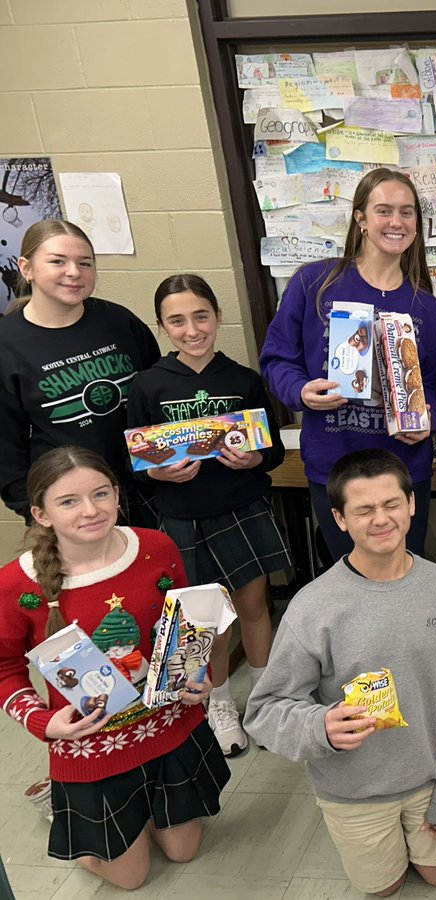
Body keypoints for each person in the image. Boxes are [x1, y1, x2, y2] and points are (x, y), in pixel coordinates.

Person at [244, 449, 436, 898]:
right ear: (339, 519)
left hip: (431, 776)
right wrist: (320, 726)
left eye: (391, 504)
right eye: (363, 510)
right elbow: (264, 711)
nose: (381, 519)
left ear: (411, 504)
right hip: (352, 790)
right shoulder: (312, 607)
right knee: (383, 888)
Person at [0, 447, 228, 890]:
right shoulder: (15, 586)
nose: (91, 510)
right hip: (93, 745)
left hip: (168, 726)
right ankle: (68, 811)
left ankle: (132, 818)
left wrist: (201, 678)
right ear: (41, 514)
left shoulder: (156, 547)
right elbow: (4, 668)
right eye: (68, 501)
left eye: (101, 493)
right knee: (130, 876)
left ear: (118, 494)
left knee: (183, 850)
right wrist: (44, 722)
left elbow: (187, 625)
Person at [127, 274, 290, 758]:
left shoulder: (243, 380)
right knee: (207, 620)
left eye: (201, 316)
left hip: (242, 508)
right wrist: (159, 473)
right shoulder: (148, 384)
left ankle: (262, 701)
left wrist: (255, 458)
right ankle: (217, 704)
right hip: (183, 516)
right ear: (162, 326)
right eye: (177, 321)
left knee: (254, 606)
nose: (192, 329)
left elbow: (271, 450)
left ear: (218, 317)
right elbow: (136, 462)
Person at [259, 168, 436, 560]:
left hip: (403, 471)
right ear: (360, 218)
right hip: (336, 467)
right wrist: (301, 391)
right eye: (384, 211)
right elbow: (277, 358)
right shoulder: (315, 284)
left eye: (407, 212)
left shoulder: (428, 309)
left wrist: (426, 420)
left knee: (404, 576)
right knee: (350, 581)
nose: (396, 222)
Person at [0, 220, 161, 526]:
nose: (74, 272)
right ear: (26, 268)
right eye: (58, 261)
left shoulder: (119, 321)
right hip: (74, 507)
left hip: (147, 488)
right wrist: (36, 512)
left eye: (85, 262)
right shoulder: (6, 345)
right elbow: (6, 450)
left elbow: (158, 395)